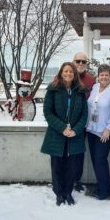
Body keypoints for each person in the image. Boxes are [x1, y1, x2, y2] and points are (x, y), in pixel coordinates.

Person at [41, 62, 88, 206]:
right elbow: (48, 113)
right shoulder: (53, 89)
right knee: (57, 165)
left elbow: (84, 115)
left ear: (75, 75)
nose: (68, 74)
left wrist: (75, 130)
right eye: (65, 71)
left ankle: (68, 192)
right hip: (57, 133)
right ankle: (59, 193)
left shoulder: (80, 90)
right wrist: (62, 128)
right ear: (61, 73)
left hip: (75, 135)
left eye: (71, 72)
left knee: (72, 166)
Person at [86, 64, 110, 200]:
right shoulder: (95, 88)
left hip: (105, 132)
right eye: (102, 75)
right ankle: (101, 185)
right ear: (98, 76)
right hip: (92, 129)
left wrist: (108, 129)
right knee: (95, 159)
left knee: (100, 159)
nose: (104, 77)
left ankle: (105, 190)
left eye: (107, 75)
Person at [72, 52, 95, 192]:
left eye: (83, 62)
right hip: (67, 125)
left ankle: (76, 180)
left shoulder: (91, 80)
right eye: (78, 61)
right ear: (73, 62)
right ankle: (66, 179)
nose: (80, 64)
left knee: (79, 153)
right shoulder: (65, 75)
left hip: (84, 125)